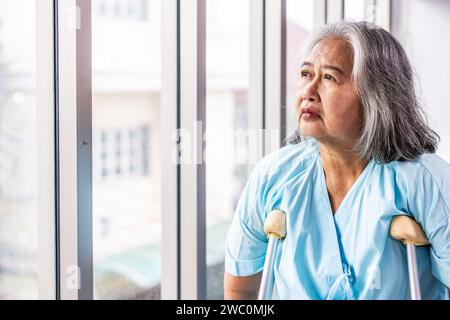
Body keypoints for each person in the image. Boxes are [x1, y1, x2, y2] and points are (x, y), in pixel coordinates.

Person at [224, 21, 450, 300]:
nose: (308, 90)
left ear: (376, 95)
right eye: (306, 74)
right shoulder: (273, 176)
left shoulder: (427, 181)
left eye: (329, 78)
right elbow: (241, 290)